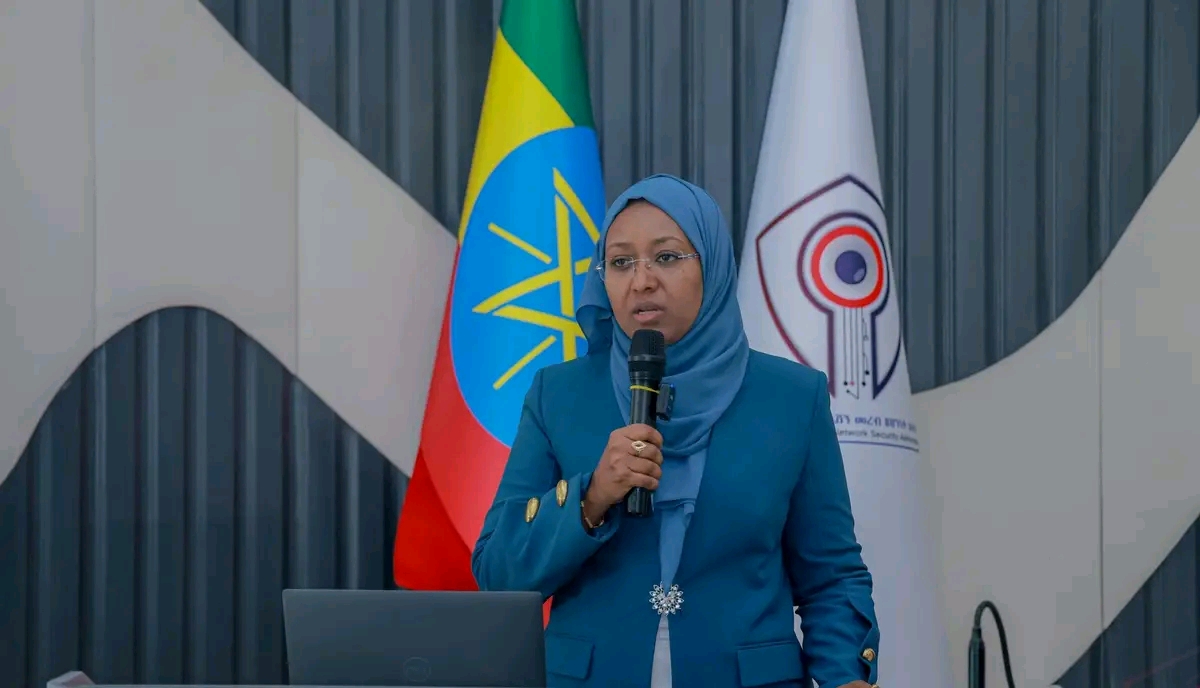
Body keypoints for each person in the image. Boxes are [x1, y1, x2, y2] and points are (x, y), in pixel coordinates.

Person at [471, 174, 880, 687]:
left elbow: (831, 576)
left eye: (666, 257)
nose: (641, 280)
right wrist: (591, 498)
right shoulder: (559, 394)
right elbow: (498, 573)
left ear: (712, 265)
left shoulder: (792, 397)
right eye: (620, 262)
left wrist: (846, 677)